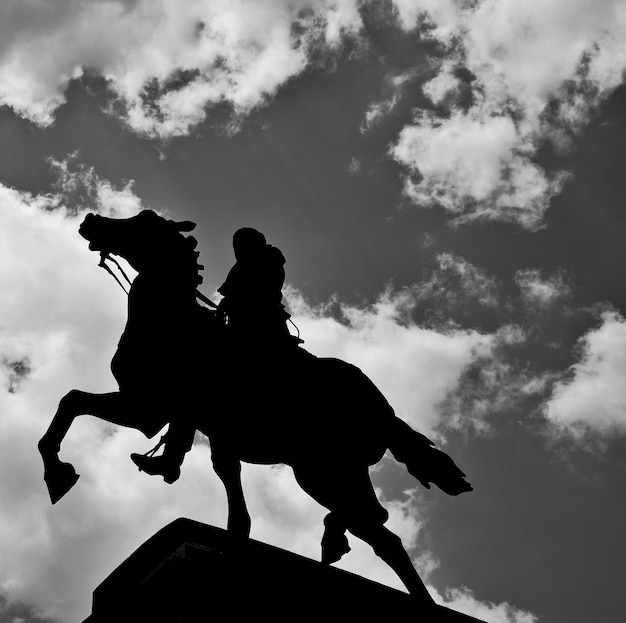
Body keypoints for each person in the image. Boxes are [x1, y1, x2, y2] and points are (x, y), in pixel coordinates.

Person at [131, 227, 299, 482]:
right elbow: (232, 298)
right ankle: (171, 458)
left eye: (239, 244)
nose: (236, 250)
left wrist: (230, 305)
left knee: (195, 388)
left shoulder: (268, 260)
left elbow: (257, 296)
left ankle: (171, 460)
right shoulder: (247, 264)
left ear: (251, 244)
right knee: (192, 384)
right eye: (235, 245)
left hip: (261, 333)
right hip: (242, 331)